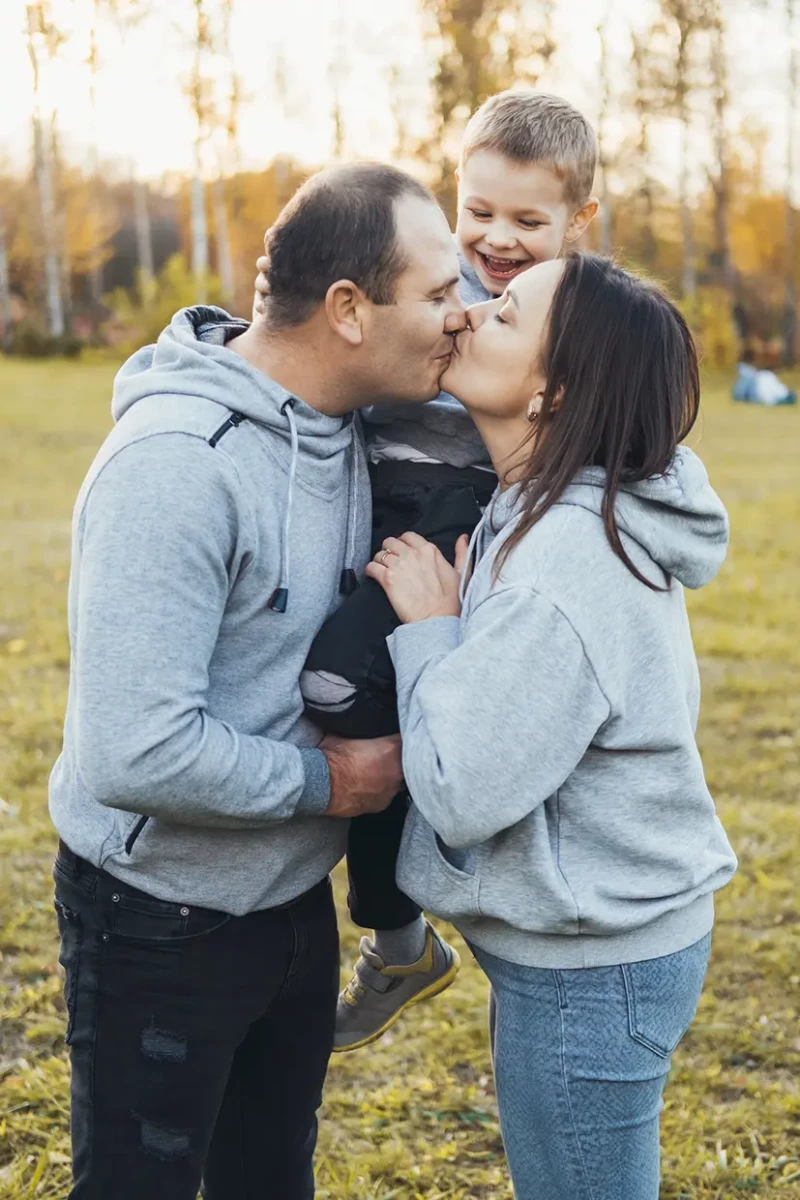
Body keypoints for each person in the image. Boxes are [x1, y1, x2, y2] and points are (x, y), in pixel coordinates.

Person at [48, 162, 467, 1200]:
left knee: (269, 1180)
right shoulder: (177, 465)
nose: (461, 319)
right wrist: (333, 787)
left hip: (293, 901)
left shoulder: (356, 430)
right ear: (347, 312)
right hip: (158, 914)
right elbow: (132, 746)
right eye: (438, 293)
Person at [367, 253, 738, 1200]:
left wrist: (431, 632)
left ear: (552, 389)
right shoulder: (538, 506)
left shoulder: (562, 560)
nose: (469, 312)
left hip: (593, 972)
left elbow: (461, 790)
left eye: (503, 315)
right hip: (591, 944)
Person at [255, 89, 600, 1054]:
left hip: (466, 532)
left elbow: (624, 424)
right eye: (478, 211)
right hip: (372, 510)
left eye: (527, 222)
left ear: (579, 222)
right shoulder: (424, 282)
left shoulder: (575, 324)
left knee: (361, 702)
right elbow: (327, 339)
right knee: (353, 708)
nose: (494, 240)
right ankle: (396, 935)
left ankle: (407, 933)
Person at [732, 348, 797, 405]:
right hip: (768, 396)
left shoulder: (749, 372)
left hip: (763, 396)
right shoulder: (750, 373)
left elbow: (739, 394)